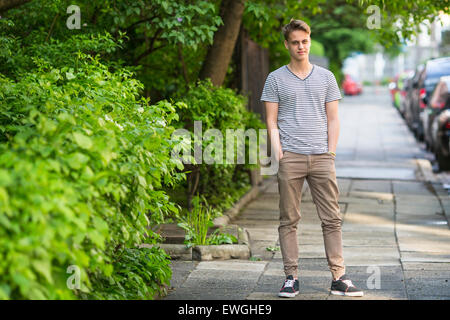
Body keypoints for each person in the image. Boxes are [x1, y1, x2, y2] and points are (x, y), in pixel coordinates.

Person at [260, 19, 363, 298]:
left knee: (332, 219)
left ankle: (339, 277)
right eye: (295, 42)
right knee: (288, 220)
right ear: (287, 45)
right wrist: (279, 153)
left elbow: (333, 118)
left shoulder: (326, 77)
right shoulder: (275, 79)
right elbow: (270, 121)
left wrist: (330, 152)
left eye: (304, 41)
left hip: (321, 157)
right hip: (290, 157)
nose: (301, 46)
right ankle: (291, 277)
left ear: (309, 40)